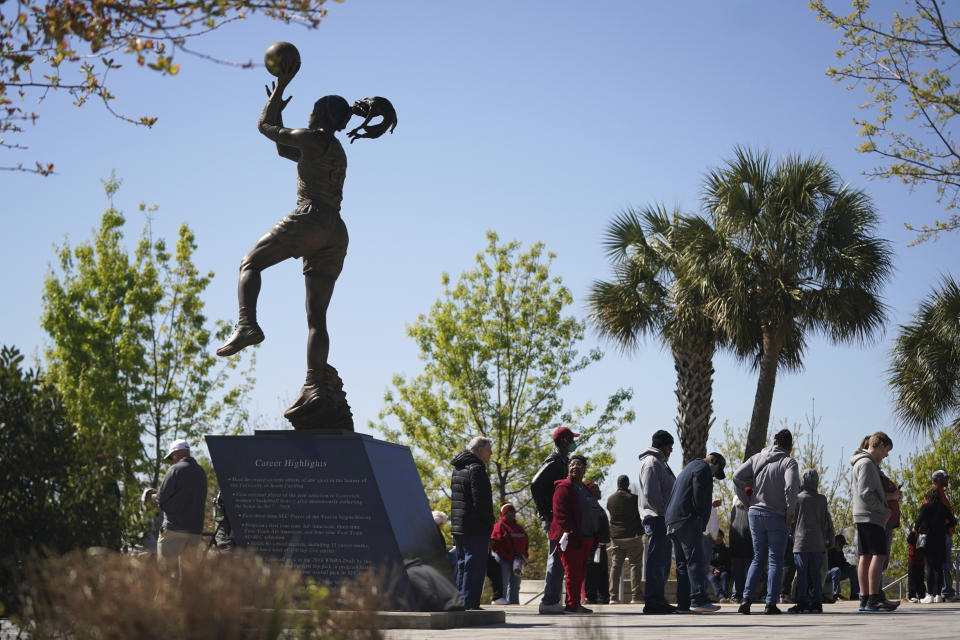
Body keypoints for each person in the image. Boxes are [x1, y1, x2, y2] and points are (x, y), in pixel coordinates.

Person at [215, 59, 396, 427]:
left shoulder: (312, 138)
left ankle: (247, 324)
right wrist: (279, 118)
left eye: (312, 109)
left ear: (319, 115)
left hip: (310, 218)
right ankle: (315, 384)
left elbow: (266, 128)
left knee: (250, 263)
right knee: (317, 319)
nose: (309, 113)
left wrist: (279, 91)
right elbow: (285, 150)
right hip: (336, 231)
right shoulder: (334, 149)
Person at [733, 428, 800, 615]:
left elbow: (737, 476)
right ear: (790, 446)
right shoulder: (789, 462)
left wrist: (747, 502)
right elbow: (791, 486)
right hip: (777, 515)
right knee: (775, 560)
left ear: (774, 442)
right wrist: (790, 511)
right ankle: (770, 603)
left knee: (758, 557)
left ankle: (746, 600)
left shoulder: (758, 457)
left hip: (754, 513)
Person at [665, 452, 727, 613]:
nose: (713, 476)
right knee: (695, 560)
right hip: (687, 519)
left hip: (673, 520)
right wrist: (701, 520)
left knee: (682, 564)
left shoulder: (690, 466)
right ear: (713, 462)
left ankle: (683, 604)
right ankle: (699, 600)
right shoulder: (703, 469)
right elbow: (700, 496)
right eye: (716, 472)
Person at [531, 426, 579, 614]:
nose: (574, 443)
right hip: (553, 518)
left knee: (560, 558)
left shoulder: (562, 461)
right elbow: (535, 484)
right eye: (571, 439)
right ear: (564, 441)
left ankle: (552, 599)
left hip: (560, 518)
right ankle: (549, 601)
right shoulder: (554, 461)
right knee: (556, 558)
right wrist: (545, 512)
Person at [850, 431, 899, 612]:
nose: (886, 455)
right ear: (879, 446)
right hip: (871, 516)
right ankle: (873, 598)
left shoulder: (861, 462)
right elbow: (865, 492)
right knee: (879, 556)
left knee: (866, 557)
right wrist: (884, 510)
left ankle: (865, 598)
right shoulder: (867, 464)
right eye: (886, 450)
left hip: (863, 516)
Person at [450, 436, 495, 609]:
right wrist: (489, 523)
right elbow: (481, 502)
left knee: (463, 565)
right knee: (474, 566)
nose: (491, 453)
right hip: (475, 527)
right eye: (488, 449)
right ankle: (469, 603)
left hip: (459, 525)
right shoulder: (476, 469)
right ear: (479, 450)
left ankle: (461, 602)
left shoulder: (458, 468)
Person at [637, 429, 677, 614]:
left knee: (662, 562)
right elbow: (651, 495)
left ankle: (658, 599)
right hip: (657, 518)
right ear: (663, 445)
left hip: (663, 519)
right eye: (670, 446)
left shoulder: (660, 463)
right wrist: (665, 513)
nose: (671, 450)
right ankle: (653, 601)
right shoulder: (652, 463)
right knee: (656, 562)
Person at [550, 454, 595, 614]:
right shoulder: (563, 488)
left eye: (579, 465)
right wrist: (570, 532)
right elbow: (560, 514)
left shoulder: (586, 489)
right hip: (569, 538)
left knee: (580, 572)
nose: (575, 467)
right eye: (572, 465)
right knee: (572, 572)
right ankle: (571, 605)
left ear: (584, 470)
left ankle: (576, 602)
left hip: (586, 537)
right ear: (568, 469)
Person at [156, 439, 207, 579]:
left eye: (172, 456)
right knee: (189, 577)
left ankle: (167, 601)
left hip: (173, 530)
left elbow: (161, 498)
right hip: (195, 532)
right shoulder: (201, 472)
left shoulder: (174, 470)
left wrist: (153, 495)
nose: (173, 460)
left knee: (166, 574)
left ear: (176, 453)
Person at [789, 468, 834, 613]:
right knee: (816, 573)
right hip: (818, 542)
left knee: (802, 573)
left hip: (801, 542)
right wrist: (829, 539)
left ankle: (802, 601)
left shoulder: (797, 498)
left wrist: (791, 535)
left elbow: (793, 521)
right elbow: (826, 521)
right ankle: (817, 602)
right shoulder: (822, 499)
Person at [606, 474, 644, 603]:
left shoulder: (610, 499)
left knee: (615, 567)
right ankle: (636, 596)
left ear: (618, 484)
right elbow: (640, 516)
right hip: (632, 537)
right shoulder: (634, 499)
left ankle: (613, 597)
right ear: (627, 484)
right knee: (635, 565)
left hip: (616, 537)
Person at [916, 486, 958, 603]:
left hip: (929, 539)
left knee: (929, 567)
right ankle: (938, 595)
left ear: (928, 496)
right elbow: (953, 521)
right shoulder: (943, 508)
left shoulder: (926, 507)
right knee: (938, 568)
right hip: (940, 539)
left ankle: (929, 594)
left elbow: (919, 521)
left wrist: (916, 528)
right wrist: (945, 527)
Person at [490, 503, 529, 605]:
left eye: (513, 512)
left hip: (518, 561)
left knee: (515, 585)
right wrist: (504, 555)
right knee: (503, 583)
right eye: (509, 512)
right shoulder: (498, 527)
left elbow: (526, 541)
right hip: (503, 560)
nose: (512, 514)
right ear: (504, 513)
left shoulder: (519, 528)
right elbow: (494, 544)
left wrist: (524, 555)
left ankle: (514, 604)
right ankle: (501, 603)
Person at [930, 469, 956, 601]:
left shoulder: (941, 493)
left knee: (945, 563)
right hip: (941, 533)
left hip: (945, 532)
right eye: (944, 478)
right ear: (938, 479)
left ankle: (946, 590)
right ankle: (945, 591)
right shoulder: (934, 493)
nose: (946, 481)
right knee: (943, 562)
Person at [583, 482, 611, 605]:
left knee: (602, 571)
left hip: (601, 544)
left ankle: (603, 596)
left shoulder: (597, 506)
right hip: (593, 545)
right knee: (591, 571)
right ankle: (591, 597)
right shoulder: (589, 506)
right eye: (597, 489)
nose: (599, 491)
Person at [728, 498, 753, 603]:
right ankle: (746, 595)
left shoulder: (734, 508)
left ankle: (737, 595)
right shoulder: (750, 507)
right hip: (748, 541)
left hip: (736, 541)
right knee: (748, 571)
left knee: (738, 571)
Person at [826, 534, 860, 601]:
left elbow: (843, 562)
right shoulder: (829, 550)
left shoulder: (840, 551)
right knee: (836, 570)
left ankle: (854, 594)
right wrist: (842, 567)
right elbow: (829, 566)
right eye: (841, 544)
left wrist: (848, 566)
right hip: (827, 574)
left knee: (853, 570)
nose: (842, 546)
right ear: (836, 543)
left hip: (837, 573)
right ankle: (836, 594)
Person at [708, 530, 732, 603]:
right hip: (710, 572)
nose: (718, 538)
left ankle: (725, 596)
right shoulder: (708, 549)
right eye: (716, 536)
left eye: (720, 536)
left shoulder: (726, 550)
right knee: (712, 578)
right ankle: (720, 597)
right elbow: (706, 563)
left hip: (723, 571)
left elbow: (729, 564)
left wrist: (720, 570)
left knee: (724, 575)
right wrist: (713, 569)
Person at [906, 522, 927, 603]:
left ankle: (921, 594)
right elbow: (909, 540)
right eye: (915, 527)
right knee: (912, 579)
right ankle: (912, 595)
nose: (917, 528)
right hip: (912, 560)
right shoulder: (912, 535)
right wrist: (913, 532)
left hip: (921, 560)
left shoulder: (922, 535)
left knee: (920, 578)